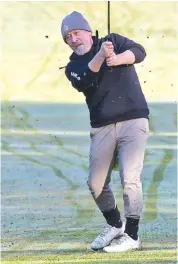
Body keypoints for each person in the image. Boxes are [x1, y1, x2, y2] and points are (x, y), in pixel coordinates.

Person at [61, 11, 149, 253]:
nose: (73, 39)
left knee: (130, 178)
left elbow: (139, 52)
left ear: (88, 31)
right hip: (101, 126)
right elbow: (85, 79)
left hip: (134, 119)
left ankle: (132, 236)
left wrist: (118, 58)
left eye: (76, 32)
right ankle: (115, 225)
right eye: (67, 37)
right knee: (95, 183)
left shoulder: (113, 41)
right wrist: (101, 56)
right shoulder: (73, 66)